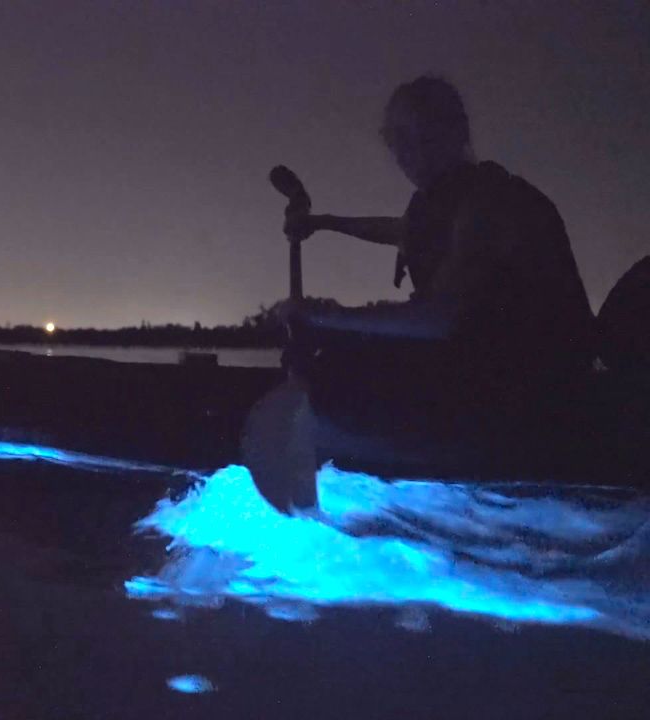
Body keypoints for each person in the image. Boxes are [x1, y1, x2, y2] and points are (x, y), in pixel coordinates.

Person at [254, 76, 596, 512]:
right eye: (397, 138)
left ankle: (364, 471)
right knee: (336, 354)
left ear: (456, 133)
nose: (408, 150)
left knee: (339, 360)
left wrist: (326, 314)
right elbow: (401, 231)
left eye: (422, 134)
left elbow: (439, 319)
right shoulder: (439, 202)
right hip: (481, 363)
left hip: (536, 389)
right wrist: (322, 222)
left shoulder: (488, 201)